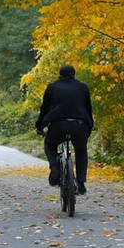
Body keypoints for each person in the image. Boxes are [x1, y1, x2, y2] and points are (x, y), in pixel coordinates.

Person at [35, 65, 94, 193]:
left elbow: (44, 108)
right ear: (74, 74)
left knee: (49, 144)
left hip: (58, 125)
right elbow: (88, 109)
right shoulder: (83, 87)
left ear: (60, 75)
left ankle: (55, 167)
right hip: (80, 125)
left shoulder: (52, 87)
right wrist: (89, 127)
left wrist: (39, 126)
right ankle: (81, 182)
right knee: (81, 150)